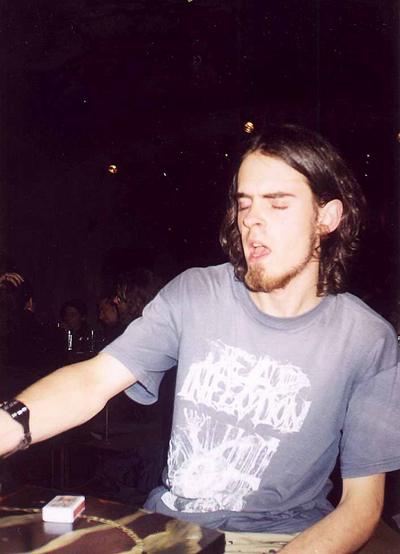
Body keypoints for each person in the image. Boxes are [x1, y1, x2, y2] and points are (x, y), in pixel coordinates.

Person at [1, 124, 399, 553]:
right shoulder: (196, 293)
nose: (251, 220)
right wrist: (6, 426)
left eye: (278, 203)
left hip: (286, 540)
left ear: (327, 218)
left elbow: (362, 505)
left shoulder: (367, 339)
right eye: (244, 204)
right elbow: (92, 381)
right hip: (174, 532)